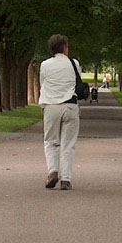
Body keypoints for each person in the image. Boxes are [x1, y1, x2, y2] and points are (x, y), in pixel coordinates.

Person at [38, 33, 81, 190]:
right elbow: (78, 81)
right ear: (64, 48)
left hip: (51, 107)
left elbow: (43, 83)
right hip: (70, 106)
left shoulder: (45, 65)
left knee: (51, 141)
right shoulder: (74, 63)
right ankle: (66, 179)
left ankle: (53, 170)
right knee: (68, 144)